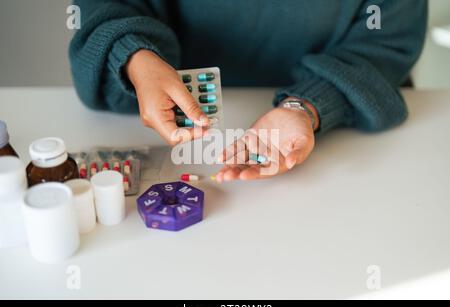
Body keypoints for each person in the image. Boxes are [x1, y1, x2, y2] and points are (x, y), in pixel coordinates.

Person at [69, 0, 427, 182]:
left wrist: (308, 106)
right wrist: (134, 57)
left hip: (361, 159)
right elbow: (104, 6)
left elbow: (384, 44)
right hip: (180, 137)